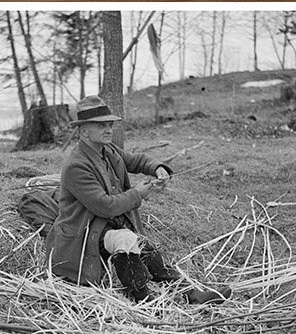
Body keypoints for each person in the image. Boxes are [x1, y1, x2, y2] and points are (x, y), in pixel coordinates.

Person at [45, 96, 226, 304]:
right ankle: (144, 299)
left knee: (146, 248)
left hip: (104, 225)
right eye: (101, 125)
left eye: (110, 124)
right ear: (83, 131)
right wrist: (138, 194)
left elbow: (136, 160)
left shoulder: (108, 150)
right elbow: (106, 206)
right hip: (83, 233)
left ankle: (190, 294)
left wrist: (157, 167)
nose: (108, 129)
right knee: (126, 240)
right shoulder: (77, 165)